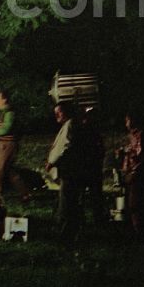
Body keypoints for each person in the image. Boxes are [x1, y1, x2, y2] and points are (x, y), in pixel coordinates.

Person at [45, 102, 87, 247]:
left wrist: (53, 161)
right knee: (68, 203)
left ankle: (66, 238)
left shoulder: (70, 125)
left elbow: (66, 146)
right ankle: (68, 235)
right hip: (69, 171)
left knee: (67, 204)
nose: (57, 115)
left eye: (59, 112)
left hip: (70, 171)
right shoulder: (68, 125)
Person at [119, 111, 144, 237]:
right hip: (131, 173)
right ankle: (135, 231)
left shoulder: (142, 135)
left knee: (136, 204)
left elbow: (143, 157)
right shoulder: (132, 136)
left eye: (127, 120)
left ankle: (141, 233)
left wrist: (134, 172)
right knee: (132, 204)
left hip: (138, 174)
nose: (126, 123)